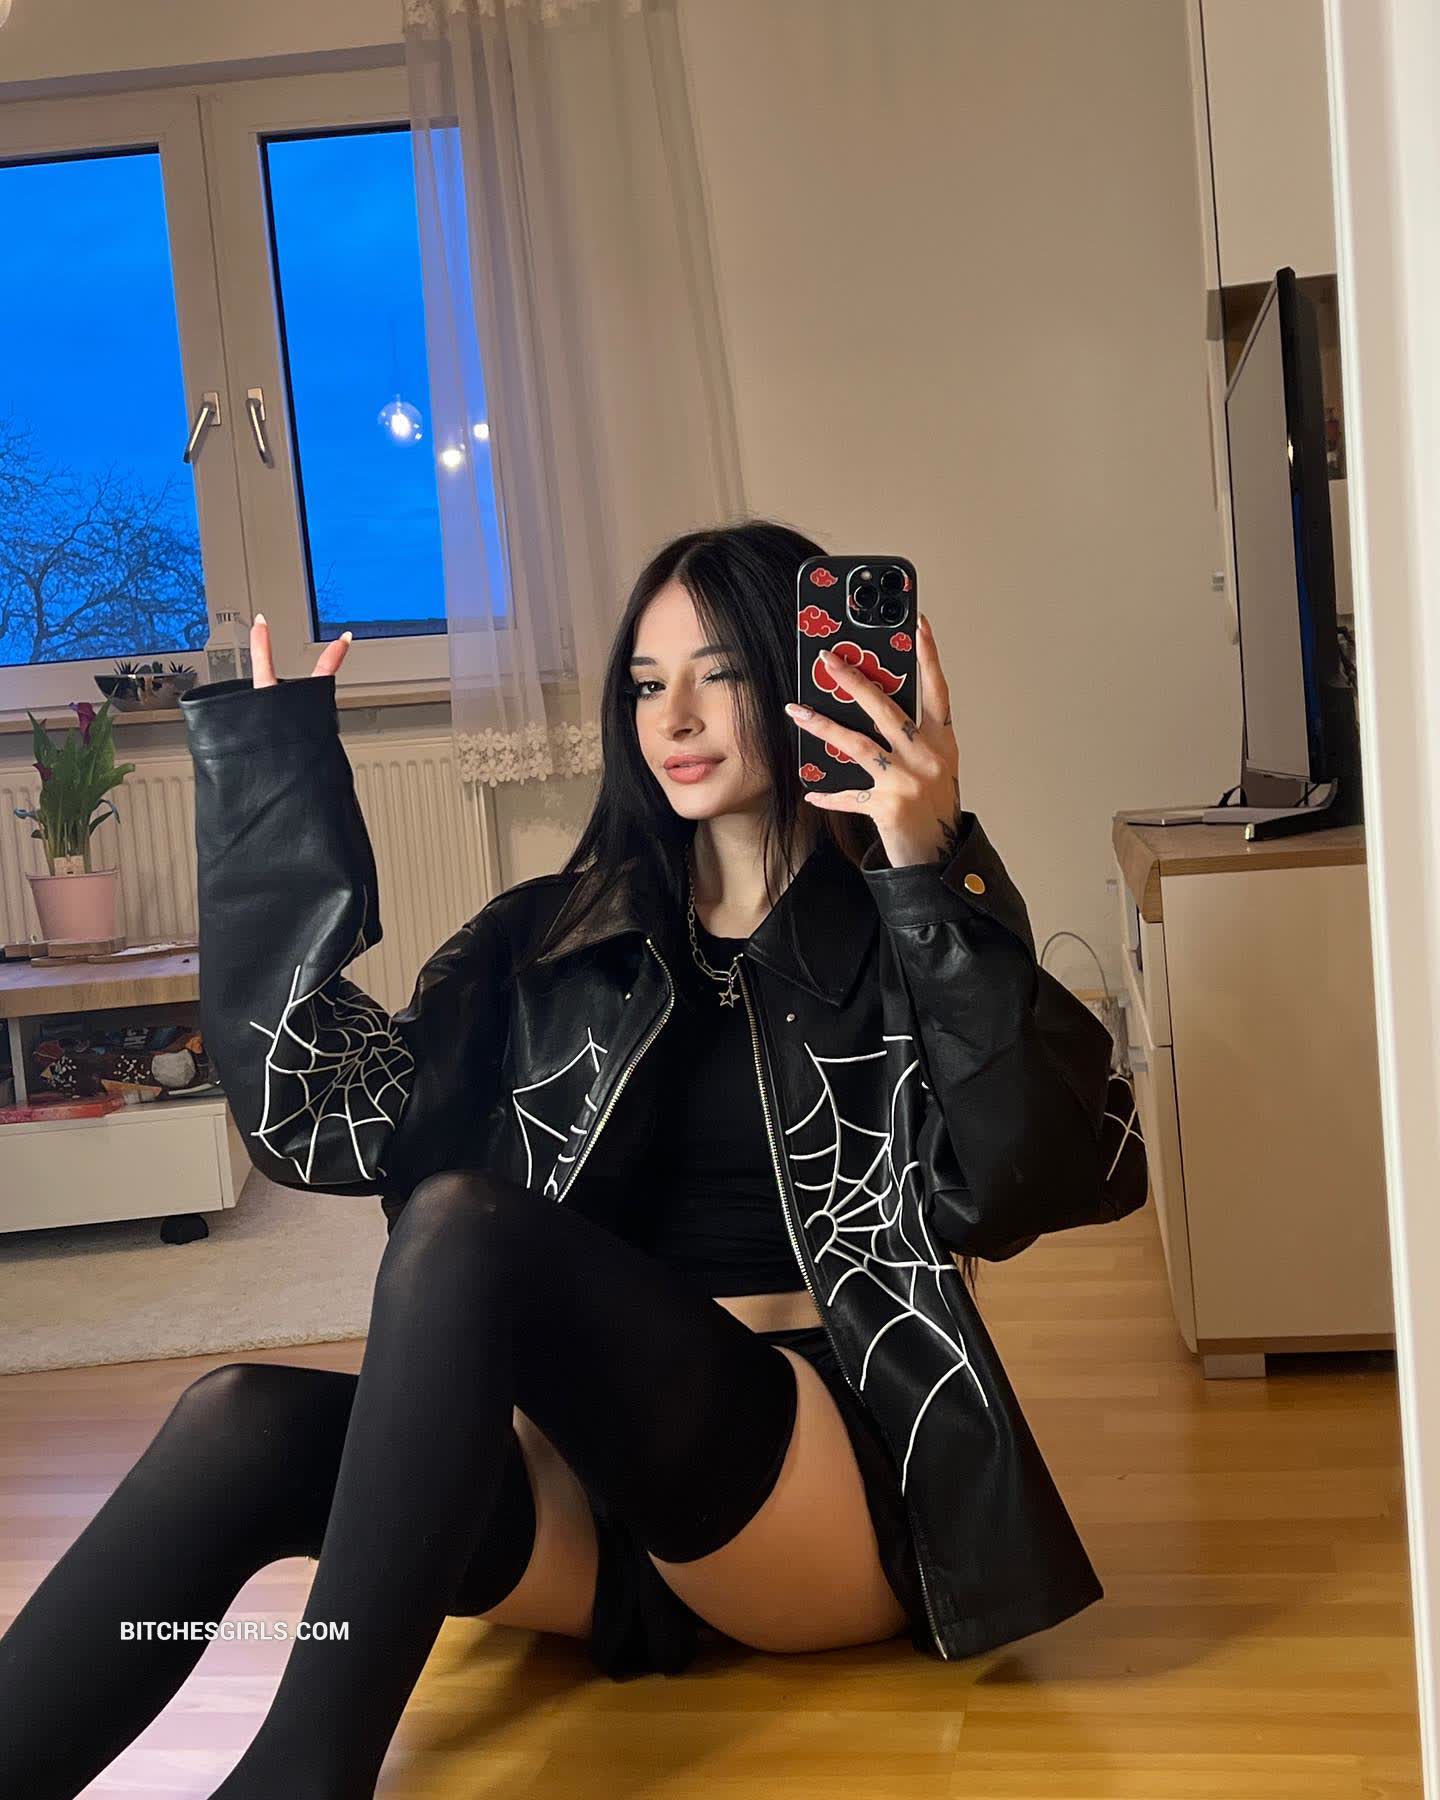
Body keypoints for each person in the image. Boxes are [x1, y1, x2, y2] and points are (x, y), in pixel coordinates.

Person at [0, 518, 1147, 1799]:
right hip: (592, 1499)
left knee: (468, 1227)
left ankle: (302, 1778)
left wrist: (929, 868)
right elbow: (315, 1112)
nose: (677, 716)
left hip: (820, 1480)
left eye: (719, 672)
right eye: (647, 684)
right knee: (241, 1423)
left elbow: (1037, 1175)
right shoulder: (555, 938)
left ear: (809, 679)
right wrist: (273, 794)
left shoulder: (906, 928)